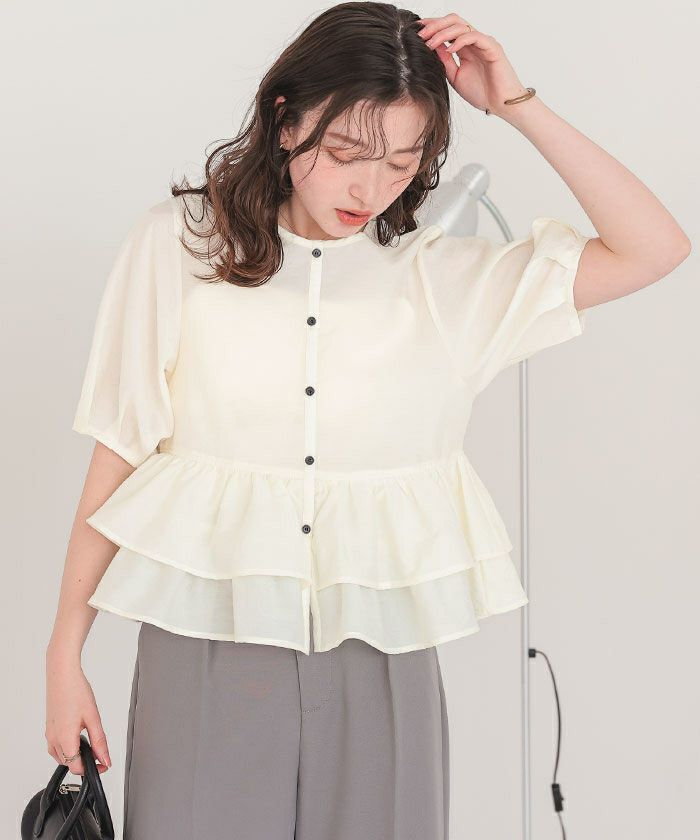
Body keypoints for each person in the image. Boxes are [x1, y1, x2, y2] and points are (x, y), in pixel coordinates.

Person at [45, 4, 690, 839]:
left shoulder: (445, 280)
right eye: (347, 152)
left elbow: (655, 248)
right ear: (286, 121)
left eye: (401, 162)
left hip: (381, 650)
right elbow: (120, 449)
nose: (369, 187)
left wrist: (518, 106)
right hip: (205, 640)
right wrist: (65, 654)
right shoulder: (182, 245)